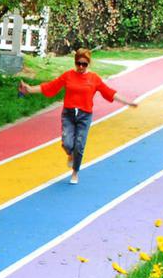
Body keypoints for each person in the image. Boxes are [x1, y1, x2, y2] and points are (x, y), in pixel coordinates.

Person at [19, 48, 139, 184]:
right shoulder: (68, 76)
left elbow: (109, 93)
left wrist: (128, 102)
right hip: (69, 114)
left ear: (88, 64)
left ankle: (75, 172)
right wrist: (29, 89)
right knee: (67, 143)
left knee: (80, 145)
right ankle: (70, 155)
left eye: (84, 64)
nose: (81, 67)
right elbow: (51, 87)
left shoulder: (94, 79)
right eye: (78, 63)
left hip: (85, 115)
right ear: (75, 62)